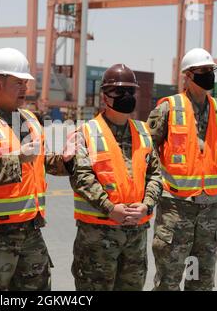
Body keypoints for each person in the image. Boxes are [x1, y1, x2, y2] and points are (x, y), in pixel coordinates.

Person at [0, 47, 74, 291]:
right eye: (18, 83)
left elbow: (39, 161)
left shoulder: (29, 119)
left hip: (30, 232)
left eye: (26, 83)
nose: (25, 89)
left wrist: (68, 160)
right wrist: (17, 159)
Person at [69, 64, 162, 291]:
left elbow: (155, 176)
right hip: (97, 238)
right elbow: (81, 177)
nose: (126, 97)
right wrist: (109, 208)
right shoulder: (86, 132)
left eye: (131, 91)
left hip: (135, 237)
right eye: (119, 92)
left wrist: (147, 206)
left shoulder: (144, 132)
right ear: (105, 97)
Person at [147, 48, 217, 291]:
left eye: (211, 70)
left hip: (209, 211)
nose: (208, 75)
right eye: (203, 71)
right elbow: (146, 150)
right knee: (169, 280)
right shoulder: (168, 108)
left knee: (201, 280)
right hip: (176, 209)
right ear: (188, 74)